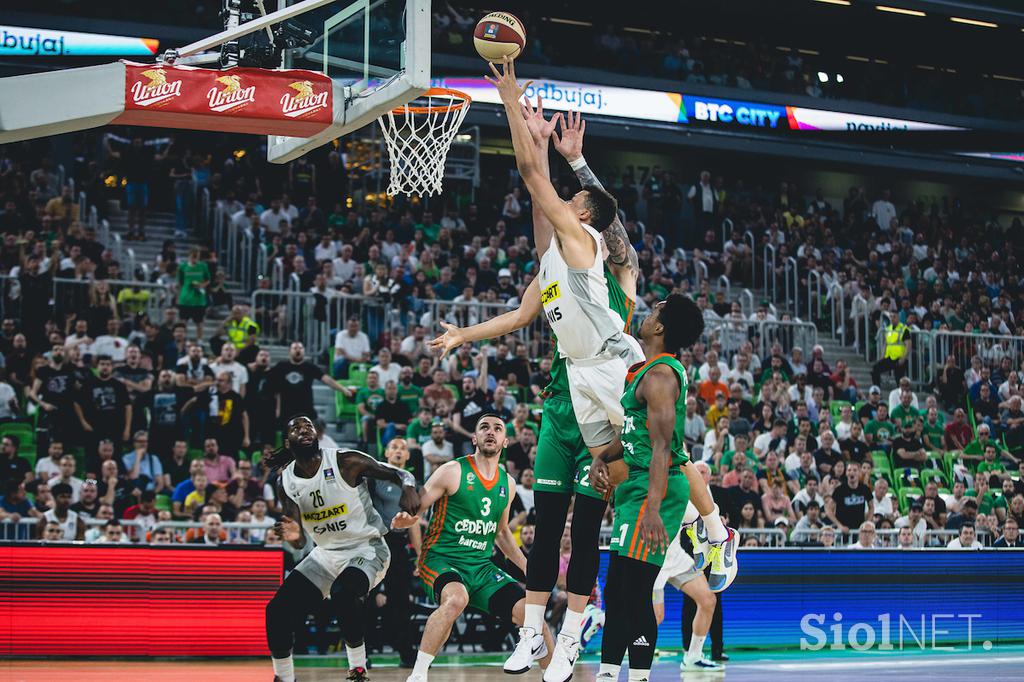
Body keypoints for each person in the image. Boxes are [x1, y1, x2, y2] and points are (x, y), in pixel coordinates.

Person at [430, 104, 734, 682]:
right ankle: (538, 636)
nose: (564, 206)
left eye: (575, 205)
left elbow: (601, 224)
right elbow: (525, 298)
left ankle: (709, 533)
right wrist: (464, 334)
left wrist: (571, 160)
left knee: (647, 472)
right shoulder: (553, 266)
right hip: (564, 391)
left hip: (613, 385)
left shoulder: (615, 273)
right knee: (550, 526)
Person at [589, 295, 735, 682]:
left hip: (654, 491)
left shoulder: (661, 377)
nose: (646, 314)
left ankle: (637, 676)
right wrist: (603, 456)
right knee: (618, 587)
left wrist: (652, 508)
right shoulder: (646, 371)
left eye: (654, 311)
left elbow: (662, 447)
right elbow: (637, 434)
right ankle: (607, 673)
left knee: (635, 592)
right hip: (636, 488)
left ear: (660, 329)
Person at [394, 414, 554, 682]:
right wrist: (406, 517)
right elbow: (416, 508)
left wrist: (528, 569)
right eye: (484, 427)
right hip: (440, 559)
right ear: (474, 438)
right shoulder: (452, 471)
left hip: (480, 567)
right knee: (457, 599)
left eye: (497, 429)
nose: (490, 432)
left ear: (505, 441)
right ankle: (418, 675)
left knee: (533, 612)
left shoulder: (508, 484)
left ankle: (552, 675)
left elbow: (501, 532)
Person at [262, 416, 419, 682]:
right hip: (325, 555)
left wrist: (409, 488)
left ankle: (358, 670)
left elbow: (399, 473)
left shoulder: (346, 461)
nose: (305, 430)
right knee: (276, 611)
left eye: (309, 426)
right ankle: (284, 677)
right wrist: (293, 536)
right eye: (297, 428)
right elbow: (300, 542)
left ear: (318, 436)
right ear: (288, 442)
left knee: (343, 593)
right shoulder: (285, 482)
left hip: (367, 548)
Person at [366, 438, 421, 667]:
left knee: (401, 601)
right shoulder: (374, 475)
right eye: (395, 447)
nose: (399, 451)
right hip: (373, 543)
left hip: (398, 547)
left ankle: (406, 654)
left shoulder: (410, 481)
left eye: (403, 448)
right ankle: (364, 653)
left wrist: (420, 555)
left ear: (407, 456)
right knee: (368, 600)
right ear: (386, 452)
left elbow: (414, 522)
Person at [652, 511, 721, 672]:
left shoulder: (683, 490)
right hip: (652, 557)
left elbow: (700, 515)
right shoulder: (649, 489)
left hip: (675, 556)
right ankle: (600, 620)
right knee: (656, 617)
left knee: (708, 600)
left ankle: (693, 657)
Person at [871, 311, 911, 387]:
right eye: (891, 316)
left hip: (899, 358)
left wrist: (903, 358)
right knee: (875, 369)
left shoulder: (904, 329)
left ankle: (901, 395)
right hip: (889, 357)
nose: (892, 318)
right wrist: (883, 356)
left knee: (899, 379)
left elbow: (908, 345)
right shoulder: (888, 329)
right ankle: (877, 389)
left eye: (894, 316)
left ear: (898, 318)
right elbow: (886, 343)